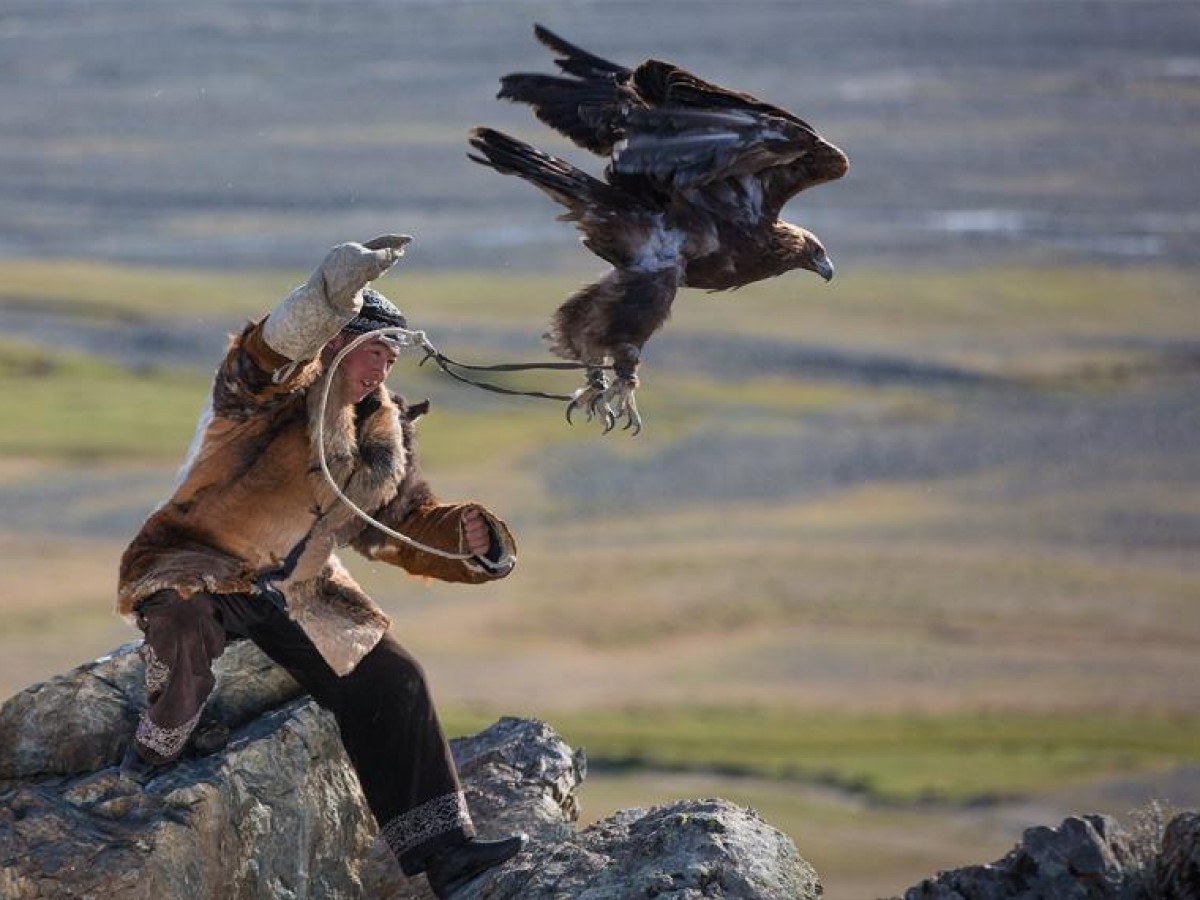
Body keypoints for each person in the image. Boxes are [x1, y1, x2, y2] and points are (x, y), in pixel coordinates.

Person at [115, 235, 525, 897]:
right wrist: (326, 293)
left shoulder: (379, 432)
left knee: (396, 681)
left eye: (392, 359)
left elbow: (401, 526)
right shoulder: (260, 395)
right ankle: (153, 751)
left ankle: (446, 855)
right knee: (185, 623)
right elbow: (270, 348)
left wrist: (473, 540)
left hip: (303, 591)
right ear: (334, 344)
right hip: (200, 558)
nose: (383, 372)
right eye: (374, 352)